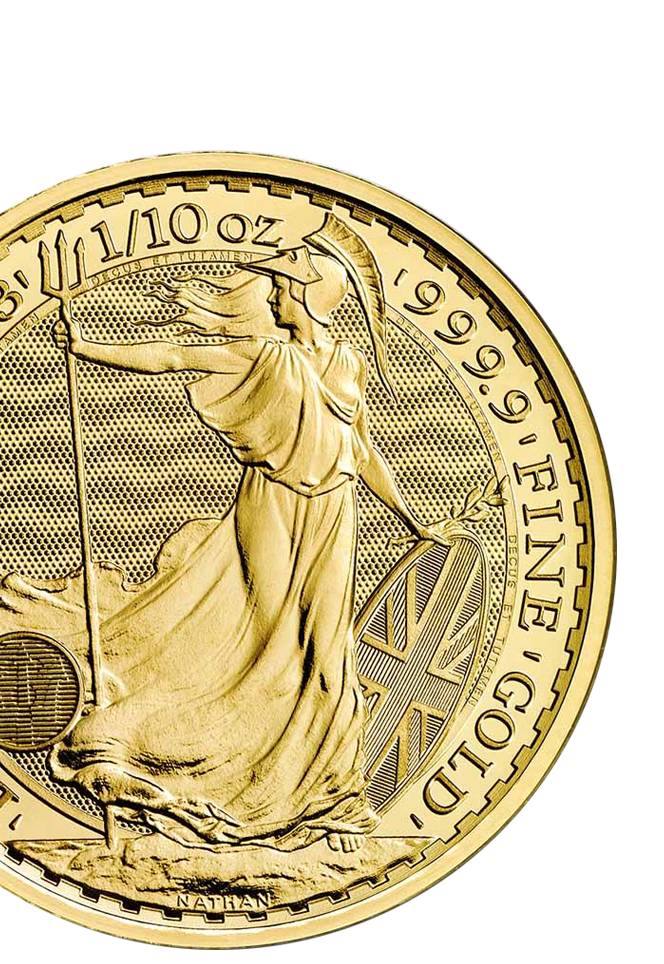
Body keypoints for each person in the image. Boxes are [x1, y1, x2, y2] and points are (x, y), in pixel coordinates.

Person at [47, 231, 438, 853]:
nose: (273, 296)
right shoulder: (260, 354)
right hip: (271, 507)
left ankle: (334, 799)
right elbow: (173, 355)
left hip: (334, 513)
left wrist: (411, 520)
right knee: (265, 644)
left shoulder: (347, 363)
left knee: (327, 652)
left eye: (282, 286)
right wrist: (86, 345)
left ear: (309, 293)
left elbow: (361, 450)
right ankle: (218, 774)